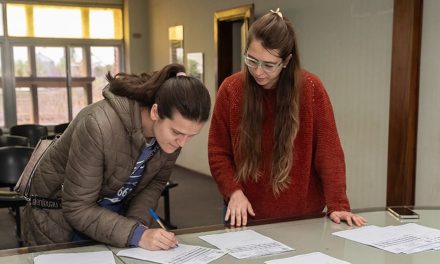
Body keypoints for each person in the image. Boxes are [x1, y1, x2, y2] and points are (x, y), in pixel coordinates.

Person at [22, 63, 211, 250]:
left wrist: (136, 227)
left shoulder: (172, 137)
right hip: (59, 217)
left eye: (191, 135)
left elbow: (154, 184)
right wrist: (135, 234)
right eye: (177, 132)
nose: (182, 143)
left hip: (107, 213)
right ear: (155, 112)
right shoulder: (98, 125)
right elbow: (77, 207)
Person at [208, 9, 366, 227]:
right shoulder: (231, 90)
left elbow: (329, 152)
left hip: (304, 217)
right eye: (251, 60)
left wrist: (338, 204)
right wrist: (233, 191)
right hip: (246, 214)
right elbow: (218, 151)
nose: (258, 72)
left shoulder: (311, 89)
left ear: (286, 60)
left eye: (269, 65)